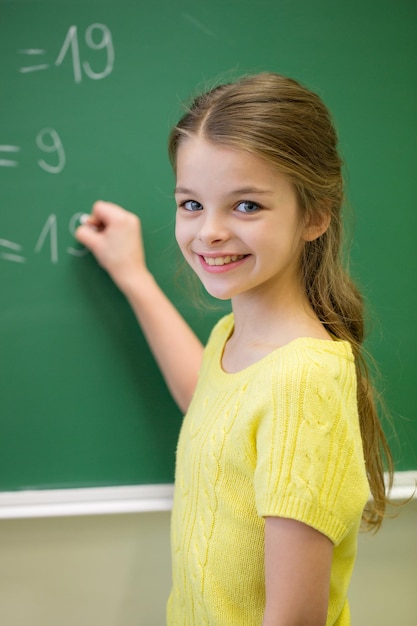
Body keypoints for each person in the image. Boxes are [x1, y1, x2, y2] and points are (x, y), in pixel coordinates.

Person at [76, 72, 393, 626]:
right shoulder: (235, 337)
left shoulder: (302, 380)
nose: (209, 232)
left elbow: (293, 619)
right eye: (191, 204)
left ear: (315, 215)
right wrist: (133, 276)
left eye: (246, 206)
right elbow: (207, 398)